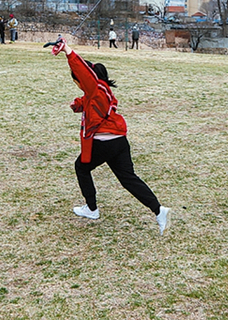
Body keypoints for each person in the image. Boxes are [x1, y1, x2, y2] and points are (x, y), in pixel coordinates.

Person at [50, 37, 170, 235]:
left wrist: (68, 51)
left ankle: (91, 208)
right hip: (119, 142)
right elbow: (89, 101)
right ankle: (159, 210)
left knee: (81, 167)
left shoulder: (94, 87)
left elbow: (84, 75)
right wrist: (77, 105)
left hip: (105, 142)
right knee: (127, 178)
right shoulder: (102, 91)